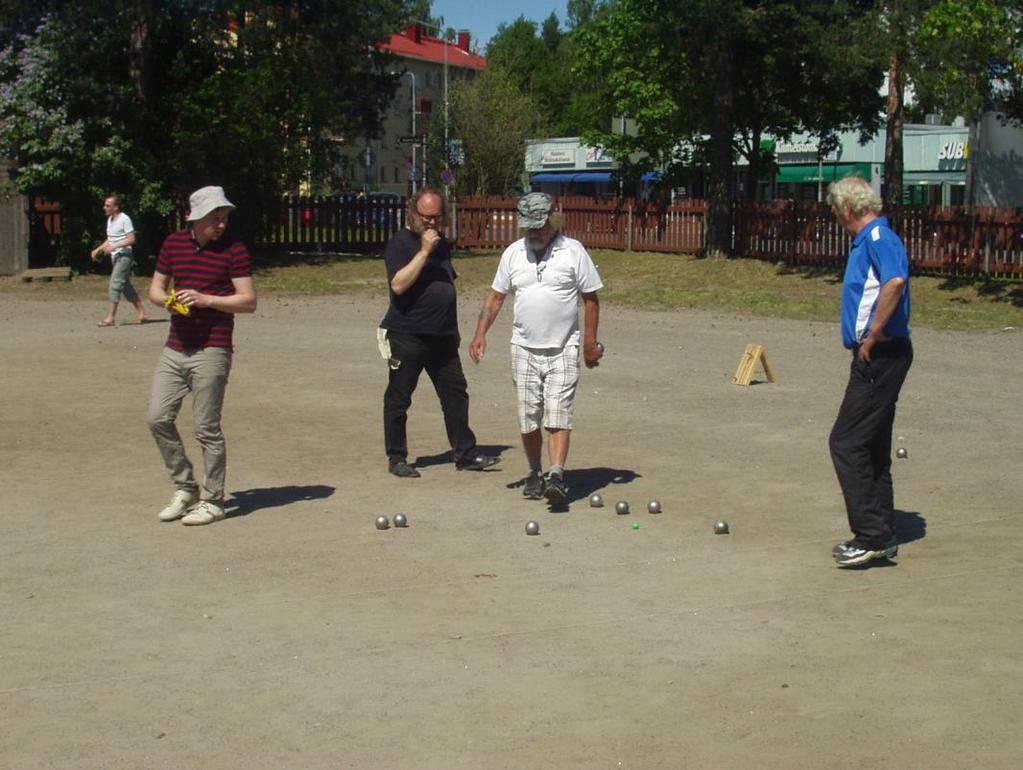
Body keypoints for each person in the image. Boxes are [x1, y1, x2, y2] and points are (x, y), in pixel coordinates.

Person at [469, 192, 603, 506]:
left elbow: (591, 298)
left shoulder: (573, 252)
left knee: (557, 414)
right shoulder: (513, 254)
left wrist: (589, 342)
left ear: (554, 219)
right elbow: (496, 297)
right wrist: (480, 334)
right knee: (528, 417)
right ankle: (534, 472)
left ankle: (556, 475)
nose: (534, 232)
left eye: (540, 226)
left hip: (563, 347)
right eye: (528, 227)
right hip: (523, 349)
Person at [144, 186, 257, 526]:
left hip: (213, 347)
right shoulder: (173, 244)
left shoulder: (234, 249)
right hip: (175, 346)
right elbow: (154, 290)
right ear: (195, 218)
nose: (221, 224)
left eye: (224, 217)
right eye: (214, 218)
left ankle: (213, 499)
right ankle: (185, 488)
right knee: (157, 417)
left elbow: (248, 301)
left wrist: (207, 300)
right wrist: (171, 302)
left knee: (206, 427)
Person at [378, 187, 499, 478]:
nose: (432, 222)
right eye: (426, 217)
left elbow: (445, 284)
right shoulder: (400, 244)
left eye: (437, 217)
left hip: (443, 337)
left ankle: (465, 453)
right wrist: (423, 251)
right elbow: (398, 285)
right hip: (407, 335)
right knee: (399, 397)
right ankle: (397, 458)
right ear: (413, 213)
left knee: (456, 394)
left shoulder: (442, 244)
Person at [826, 176, 912, 567]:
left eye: (834, 210)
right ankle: (883, 531)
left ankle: (871, 535)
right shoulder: (870, 239)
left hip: (880, 354)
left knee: (847, 442)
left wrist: (873, 334)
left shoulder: (878, 237)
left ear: (847, 209)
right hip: (879, 353)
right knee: (873, 445)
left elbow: (896, 280)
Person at [90, 195, 148, 326]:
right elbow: (111, 239)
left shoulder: (125, 219)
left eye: (108, 205)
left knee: (115, 284)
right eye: (105, 205)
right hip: (115, 257)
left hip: (124, 256)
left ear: (116, 207)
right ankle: (143, 313)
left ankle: (110, 318)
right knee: (126, 286)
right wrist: (98, 249)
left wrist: (115, 247)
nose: (104, 208)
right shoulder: (110, 220)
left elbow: (131, 239)